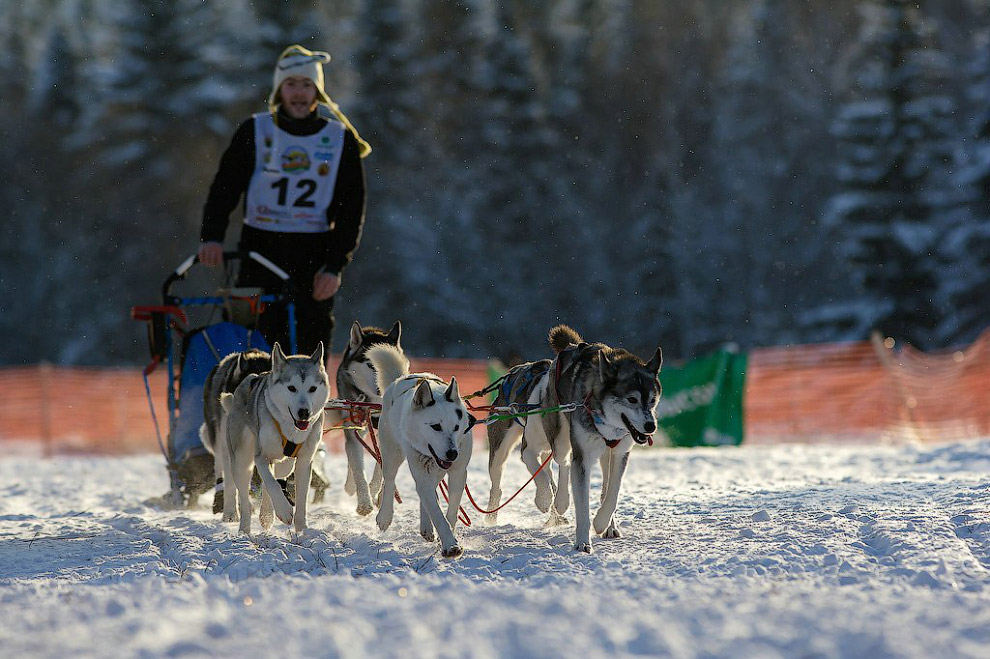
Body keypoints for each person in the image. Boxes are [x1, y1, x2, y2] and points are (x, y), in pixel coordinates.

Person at [198, 44, 371, 356]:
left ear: (318, 92)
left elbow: (351, 208)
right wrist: (212, 236)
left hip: (313, 255)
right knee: (249, 345)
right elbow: (224, 189)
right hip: (259, 251)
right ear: (279, 90)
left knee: (307, 348)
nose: (299, 94)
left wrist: (334, 266)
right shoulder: (255, 130)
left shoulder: (338, 139)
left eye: (307, 85)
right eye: (291, 84)